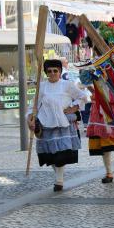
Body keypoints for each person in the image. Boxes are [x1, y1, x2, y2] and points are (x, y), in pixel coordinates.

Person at [26, 59, 87, 192]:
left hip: (63, 124)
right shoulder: (41, 87)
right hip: (46, 124)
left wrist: (74, 108)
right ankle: (58, 175)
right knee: (50, 155)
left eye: (55, 71)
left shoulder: (67, 85)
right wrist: (30, 119)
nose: (53, 73)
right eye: (49, 71)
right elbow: (34, 105)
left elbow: (82, 96)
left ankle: (59, 180)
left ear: (60, 72)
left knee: (61, 154)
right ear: (46, 73)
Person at [86, 81, 114, 183]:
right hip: (100, 111)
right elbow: (85, 82)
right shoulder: (95, 73)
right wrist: (93, 90)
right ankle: (109, 172)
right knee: (104, 143)